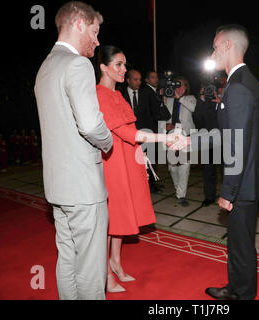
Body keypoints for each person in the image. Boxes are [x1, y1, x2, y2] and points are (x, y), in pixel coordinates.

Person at [173, 24, 259, 300]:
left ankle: (242, 294)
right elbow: (229, 134)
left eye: (215, 46)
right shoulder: (243, 82)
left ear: (227, 45)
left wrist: (228, 191)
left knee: (240, 245)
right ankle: (236, 289)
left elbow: (236, 144)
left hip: (243, 182)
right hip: (248, 179)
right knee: (239, 243)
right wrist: (190, 141)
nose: (213, 51)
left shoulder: (238, 87)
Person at [34, 1, 113, 300]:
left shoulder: (45, 66)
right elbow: (91, 126)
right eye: (94, 31)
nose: (97, 39)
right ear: (79, 24)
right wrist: (109, 142)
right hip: (83, 188)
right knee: (92, 270)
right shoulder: (78, 64)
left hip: (57, 187)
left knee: (67, 257)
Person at [93, 45, 183, 293]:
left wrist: (140, 156)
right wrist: (163, 139)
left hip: (126, 159)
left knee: (121, 215)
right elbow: (125, 132)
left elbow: (129, 133)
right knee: (111, 218)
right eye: (118, 65)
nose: (123, 69)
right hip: (112, 164)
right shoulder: (98, 94)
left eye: (124, 64)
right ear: (103, 67)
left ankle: (116, 263)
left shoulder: (118, 95)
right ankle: (106, 274)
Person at [164, 76, 197, 207]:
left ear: (186, 86)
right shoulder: (169, 99)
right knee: (172, 167)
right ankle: (179, 189)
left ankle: (181, 194)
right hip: (172, 136)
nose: (179, 87)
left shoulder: (190, 98)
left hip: (187, 136)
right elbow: (165, 116)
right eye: (177, 85)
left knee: (184, 166)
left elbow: (193, 108)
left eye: (182, 85)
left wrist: (179, 98)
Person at [192, 83, 224, 206]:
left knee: (226, 172)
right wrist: (201, 98)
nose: (210, 93)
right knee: (208, 171)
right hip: (208, 141)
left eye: (212, 90)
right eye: (207, 90)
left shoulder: (223, 101)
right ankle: (209, 197)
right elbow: (197, 119)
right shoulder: (202, 103)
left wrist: (220, 102)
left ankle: (228, 197)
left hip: (223, 141)